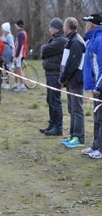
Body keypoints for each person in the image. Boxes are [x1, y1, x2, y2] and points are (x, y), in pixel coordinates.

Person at [59, 17, 86, 148]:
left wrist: (64, 77)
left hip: (75, 80)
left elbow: (72, 63)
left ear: (67, 27)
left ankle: (78, 137)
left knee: (77, 110)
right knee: (71, 109)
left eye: (64, 26)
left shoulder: (76, 41)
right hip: (70, 80)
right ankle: (72, 135)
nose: (64, 28)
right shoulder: (71, 40)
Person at [39, 18, 67, 136]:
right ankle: (52, 123)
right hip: (50, 73)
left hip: (55, 74)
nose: (49, 29)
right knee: (50, 100)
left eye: (51, 27)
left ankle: (58, 127)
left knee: (54, 100)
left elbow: (45, 50)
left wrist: (43, 48)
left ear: (57, 28)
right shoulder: (56, 40)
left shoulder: (61, 40)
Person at [80, 14, 102, 158]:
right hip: (95, 86)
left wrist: (99, 87)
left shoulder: (99, 40)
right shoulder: (91, 39)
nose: (85, 24)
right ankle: (95, 145)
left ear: (92, 24)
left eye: (87, 22)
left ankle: (100, 149)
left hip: (100, 87)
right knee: (96, 118)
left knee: (101, 118)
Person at [12, 19, 28, 92]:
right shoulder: (23, 32)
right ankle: (15, 84)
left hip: (20, 54)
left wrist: (16, 55)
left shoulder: (21, 33)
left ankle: (22, 85)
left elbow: (20, 46)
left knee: (19, 69)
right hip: (20, 53)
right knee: (16, 69)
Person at [1, 22, 14, 89]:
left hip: (8, 55)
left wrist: (13, 55)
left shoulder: (9, 37)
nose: (2, 30)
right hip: (3, 54)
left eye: (2, 28)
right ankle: (3, 81)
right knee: (3, 68)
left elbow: (12, 46)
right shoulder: (2, 36)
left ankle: (7, 83)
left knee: (7, 68)